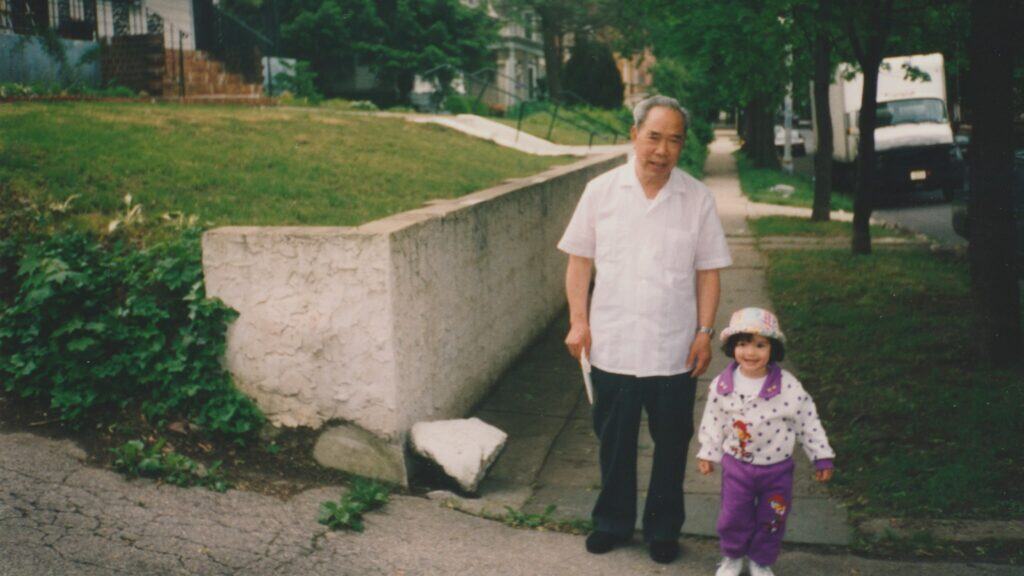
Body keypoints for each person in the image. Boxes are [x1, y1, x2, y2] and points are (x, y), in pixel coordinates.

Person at [557, 95, 732, 564]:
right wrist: (579, 320)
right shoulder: (600, 191)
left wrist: (703, 332)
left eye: (674, 139)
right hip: (612, 343)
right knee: (614, 443)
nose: (662, 149)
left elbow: (709, 271)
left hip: (674, 347)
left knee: (672, 445)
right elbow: (579, 260)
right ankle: (611, 523)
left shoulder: (697, 197)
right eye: (654, 136)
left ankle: (662, 530)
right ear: (634, 134)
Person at [696, 308, 836, 576]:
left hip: (777, 471)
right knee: (734, 516)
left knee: (772, 518)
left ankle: (761, 560)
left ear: (773, 350)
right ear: (732, 347)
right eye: (743, 344)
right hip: (737, 467)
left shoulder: (788, 387)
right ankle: (732, 557)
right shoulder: (722, 385)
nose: (750, 352)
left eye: (760, 345)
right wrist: (708, 452)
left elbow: (807, 420)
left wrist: (821, 455)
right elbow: (713, 420)